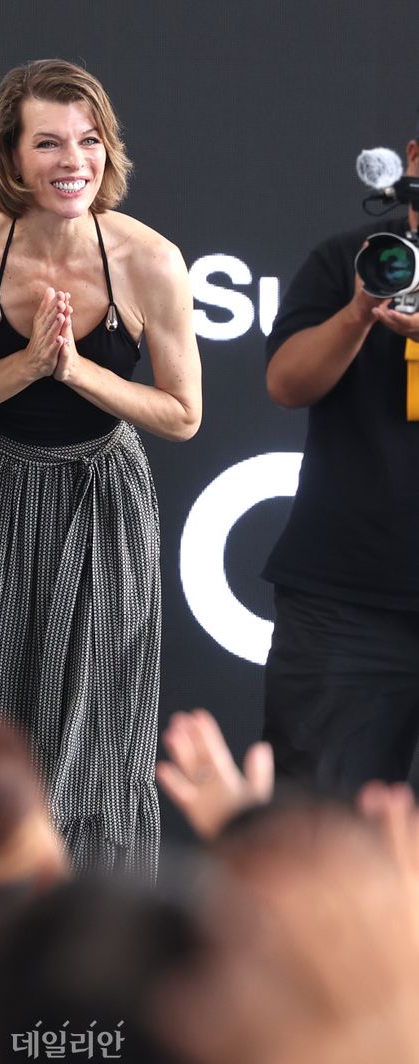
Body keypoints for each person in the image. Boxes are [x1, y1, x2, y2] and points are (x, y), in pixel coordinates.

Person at [0, 58, 202, 878]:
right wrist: (27, 365)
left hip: (101, 497)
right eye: (48, 143)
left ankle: (90, 923)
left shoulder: (151, 261)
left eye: (89, 140)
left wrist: (74, 370)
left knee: (101, 733)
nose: (74, 161)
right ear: (11, 155)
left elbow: (182, 415)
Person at [262, 125, 419, 792]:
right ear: (414, 158)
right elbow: (286, 383)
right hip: (345, 601)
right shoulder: (355, 258)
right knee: (318, 823)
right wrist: (358, 311)